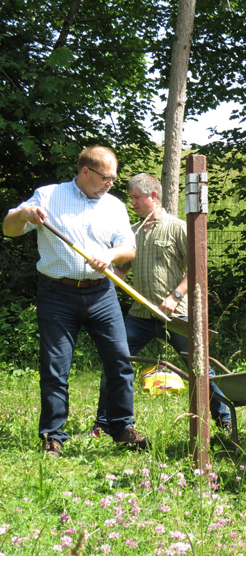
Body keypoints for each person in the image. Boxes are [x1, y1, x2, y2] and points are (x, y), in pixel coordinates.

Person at [2, 146, 149, 457]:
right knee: (56, 368)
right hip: (57, 293)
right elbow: (9, 229)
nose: (112, 183)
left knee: (120, 361)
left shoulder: (114, 206)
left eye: (114, 178)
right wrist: (24, 214)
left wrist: (110, 255)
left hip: (101, 293)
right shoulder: (48, 196)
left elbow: (128, 249)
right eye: (107, 177)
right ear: (86, 172)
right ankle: (53, 436)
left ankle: (121, 427)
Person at [92, 174, 232, 436]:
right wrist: (102, 286)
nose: (132, 202)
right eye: (131, 198)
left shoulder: (178, 227)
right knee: (115, 363)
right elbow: (121, 270)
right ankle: (105, 423)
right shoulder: (132, 232)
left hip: (175, 315)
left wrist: (176, 295)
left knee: (199, 367)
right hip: (139, 316)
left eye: (136, 197)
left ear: (153, 196)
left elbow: (197, 268)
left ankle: (224, 418)